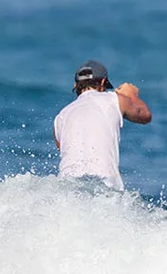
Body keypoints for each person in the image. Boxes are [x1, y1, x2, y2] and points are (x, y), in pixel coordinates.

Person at [53, 59, 152, 190]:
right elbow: (145, 115)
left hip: (66, 190)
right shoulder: (113, 99)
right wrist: (130, 94)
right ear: (103, 83)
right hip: (105, 189)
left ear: (76, 86)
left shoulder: (60, 117)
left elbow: (66, 150)